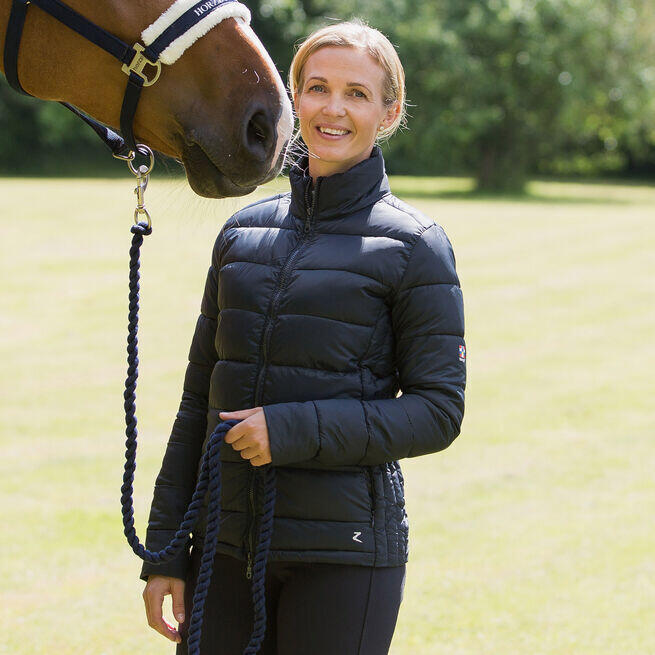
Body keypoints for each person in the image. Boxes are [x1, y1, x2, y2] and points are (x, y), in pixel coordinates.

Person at [140, 18, 466, 655]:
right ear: (294, 98)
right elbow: (196, 404)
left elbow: (438, 410)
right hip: (222, 551)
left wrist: (291, 430)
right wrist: (167, 551)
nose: (333, 109)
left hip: (344, 556)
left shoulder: (416, 247)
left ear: (389, 113)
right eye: (317, 88)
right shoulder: (241, 235)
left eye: (356, 93)